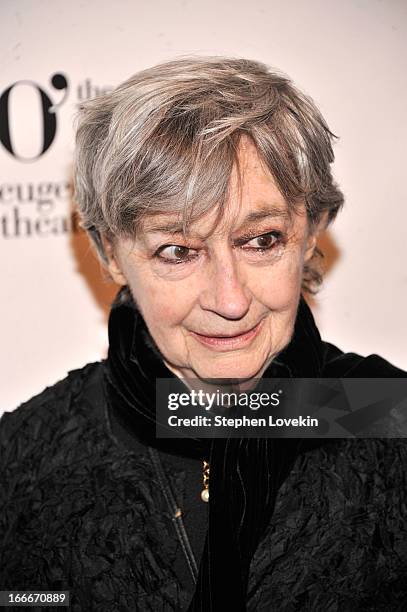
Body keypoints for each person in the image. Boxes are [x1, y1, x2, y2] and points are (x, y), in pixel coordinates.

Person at [1, 56, 406, 612]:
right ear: (110, 253)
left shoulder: (389, 415)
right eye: (178, 251)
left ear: (310, 232)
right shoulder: (22, 466)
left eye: (260, 240)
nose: (230, 300)